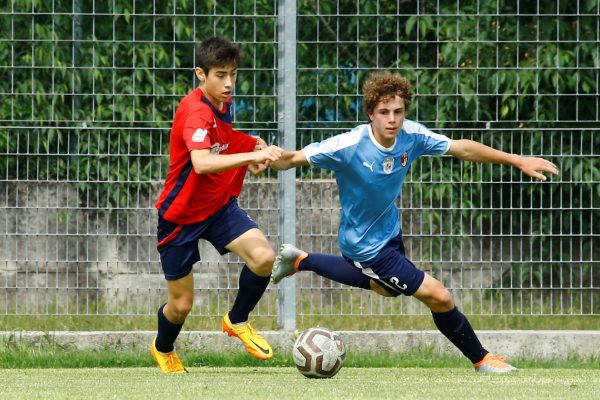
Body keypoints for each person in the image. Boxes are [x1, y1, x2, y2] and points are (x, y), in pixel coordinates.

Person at [270, 71, 559, 373]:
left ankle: (301, 259)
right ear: (370, 113)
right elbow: (290, 160)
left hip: (390, 233)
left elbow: (461, 148)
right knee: (439, 296)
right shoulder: (348, 145)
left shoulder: (412, 135)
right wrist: (264, 155)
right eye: (383, 112)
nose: (392, 119)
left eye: (398, 111)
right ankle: (482, 359)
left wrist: (517, 160)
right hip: (365, 246)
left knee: (387, 289)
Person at [151, 36, 283, 373]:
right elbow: (202, 162)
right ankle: (163, 347)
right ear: (200, 73)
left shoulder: (223, 102)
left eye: (233, 74)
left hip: (218, 207)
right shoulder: (194, 111)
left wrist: (249, 146)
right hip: (180, 216)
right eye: (220, 75)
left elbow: (222, 139)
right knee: (180, 306)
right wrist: (254, 154)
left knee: (265, 258)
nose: (228, 83)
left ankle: (237, 320)